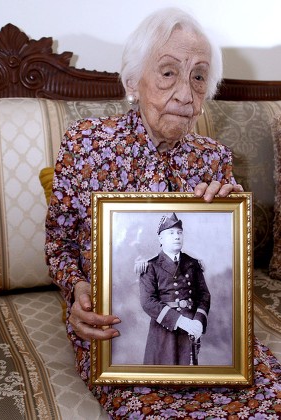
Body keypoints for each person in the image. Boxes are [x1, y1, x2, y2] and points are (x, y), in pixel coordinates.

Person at [44, 7, 279, 419]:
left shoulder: (215, 160)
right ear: (133, 81)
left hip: (204, 344)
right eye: (168, 72)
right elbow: (59, 244)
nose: (186, 95)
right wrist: (76, 290)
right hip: (120, 337)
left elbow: (214, 276)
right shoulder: (86, 146)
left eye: (199, 76)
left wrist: (229, 224)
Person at [139, 212, 210, 365]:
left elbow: (204, 295)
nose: (177, 236)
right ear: (161, 239)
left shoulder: (193, 263)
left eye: (179, 233)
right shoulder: (150, 266)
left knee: (187, 379)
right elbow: (148, 302)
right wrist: (179, 321)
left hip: (190, 328)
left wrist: (198, 321)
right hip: (164, 328)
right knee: (162, 378)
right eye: (171, 233)